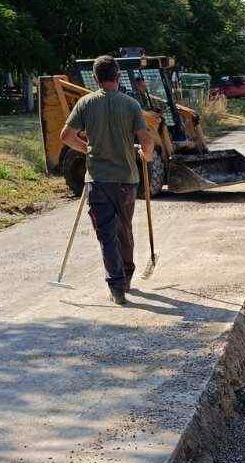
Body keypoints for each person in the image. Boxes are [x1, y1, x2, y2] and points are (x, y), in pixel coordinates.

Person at [60, 55, 154, 306]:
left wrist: (87, 149)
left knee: (106, 235)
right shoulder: (131, 104)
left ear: (95, 78)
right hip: (126, 181)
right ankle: (127, 276)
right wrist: (146, 155)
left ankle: (116, 286)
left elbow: (66, 136)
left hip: (99, 181)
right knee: (124, 229)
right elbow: (146, 140)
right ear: (118, 76)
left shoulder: (86, 103)